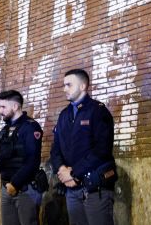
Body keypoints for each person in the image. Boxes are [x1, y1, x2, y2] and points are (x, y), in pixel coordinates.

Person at [50, 69, 117, 225]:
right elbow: (55, 149)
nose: (64, 89)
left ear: (82, 86)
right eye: (64, 85)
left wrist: (74, 173)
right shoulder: (64, 115)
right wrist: (61, 170)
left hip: (94, 188)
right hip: (71, 188)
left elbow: (102, 150)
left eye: (68, 85)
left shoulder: (98, 111)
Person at [0, 90, 44, 225]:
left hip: (25, 188)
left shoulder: (31, 127)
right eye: (0, 107)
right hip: (6, 188)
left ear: (15, 106)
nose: (0, 111)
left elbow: (32, 161)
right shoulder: (4, 131)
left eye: (3, 107)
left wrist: (14, 184)